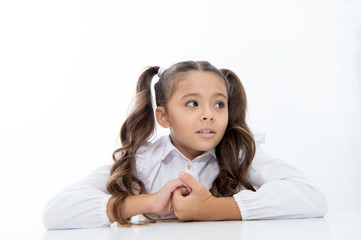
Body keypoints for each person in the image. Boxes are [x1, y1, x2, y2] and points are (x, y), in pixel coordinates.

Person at [43, 61, 328, 229]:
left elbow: (311, 197)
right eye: (192, 103)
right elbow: (56, 211)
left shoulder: (239, 154)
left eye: (219, 103)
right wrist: (146, 203)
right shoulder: (143, 161)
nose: (209, 113)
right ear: (163, 116)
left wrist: (214, 209)